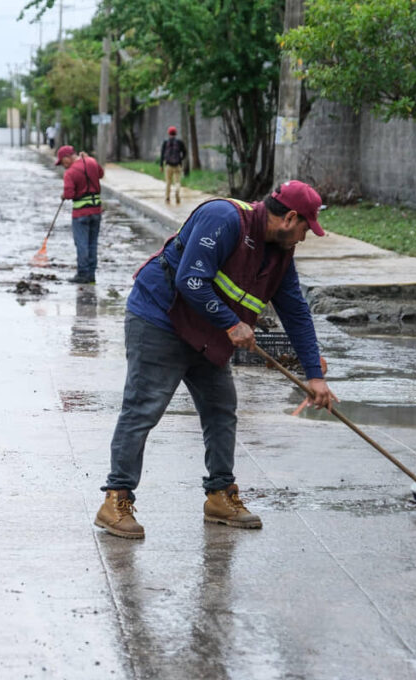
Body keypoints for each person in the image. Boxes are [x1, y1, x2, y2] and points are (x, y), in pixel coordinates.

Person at [94, 180, 337, 539]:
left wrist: (315, 376)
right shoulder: (223, 218)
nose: (304, 237)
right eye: (306, 228)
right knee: (144, 407)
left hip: (206, 333)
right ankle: (116, 499)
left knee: (221, 409)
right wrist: (231, 323)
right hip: (161, 318)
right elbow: (190, 280)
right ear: (289, 217)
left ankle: (220, 495)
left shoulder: (281, 255)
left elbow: (296, 313)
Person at [55, 145, 105, 285]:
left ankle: (83, 274)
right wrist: (88, 158)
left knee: (82, 243)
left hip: (81, 214)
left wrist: (64, 195)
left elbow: (70, 194)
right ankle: (91, 275)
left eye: (62, 162)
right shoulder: (91, 162)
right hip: (96, 211)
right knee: (92, 243)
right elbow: (100, 174)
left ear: (68, 157)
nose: (63, 166)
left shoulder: (70, 173)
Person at [159, 125, 187, 204]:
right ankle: (177, 192)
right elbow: (185, 152)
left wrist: (161, 165)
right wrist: (181, 159)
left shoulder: (165, 142)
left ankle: (167, 198)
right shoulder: (179, 142)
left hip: (168, 166)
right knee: (177, 181)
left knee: (168, 182)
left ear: (169, 133)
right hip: (177, 165)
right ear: (176, 133)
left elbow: (162, 154)